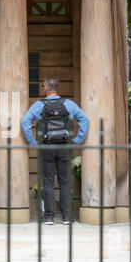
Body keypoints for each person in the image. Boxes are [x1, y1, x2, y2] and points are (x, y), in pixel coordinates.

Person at [21, 76, 89, 225]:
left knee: (48, 182)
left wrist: (32, 142)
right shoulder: (69, 104)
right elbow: (85, 120)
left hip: (46, 147)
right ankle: (66, 217)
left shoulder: (39, 105)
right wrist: (78, 139)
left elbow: (25, 122)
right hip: (64, 147)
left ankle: (49, 217)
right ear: (57, 88)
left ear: (46, 88)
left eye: (43, 85)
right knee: (65, 182)